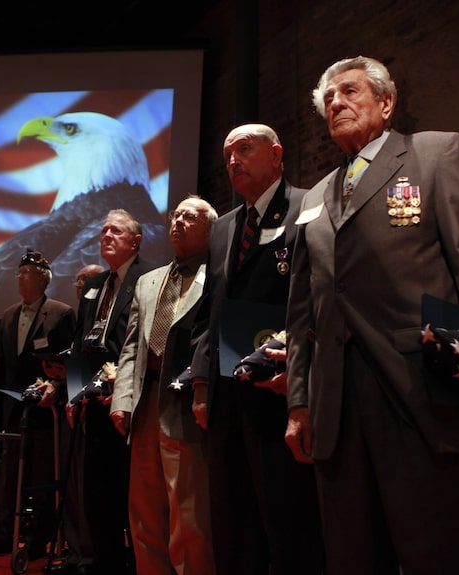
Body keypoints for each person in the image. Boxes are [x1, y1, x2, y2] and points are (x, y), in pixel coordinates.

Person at [283, 55, 459, 575]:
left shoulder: (432, 154)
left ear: (385, 103)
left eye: (350, 91)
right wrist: (299, 402)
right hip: (336, 407)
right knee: (353, 557)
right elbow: (302, 315)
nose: (336, 102)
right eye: (329, 99)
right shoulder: (314, 199)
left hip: (422, 394)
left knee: (439, 555)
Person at [189, 124, 324, 575]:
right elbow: (212, 311)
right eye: (228, 155)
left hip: (282, 388)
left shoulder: (309, 206)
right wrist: (202, 383)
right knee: (233, 515)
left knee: (288, 518)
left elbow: (320, 295)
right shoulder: (224, 227)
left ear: (276, 154)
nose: (233, 162)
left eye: (244, 150)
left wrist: (304, 368)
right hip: (228, 392)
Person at [109, 196, 218, 574]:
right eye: (176, 215)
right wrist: (121, 399)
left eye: (191, 216)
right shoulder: (147, 280)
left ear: (211, 227)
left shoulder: (218, 274)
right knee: (143, 511)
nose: (179, 221)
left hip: (186, 403)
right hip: (144, 403)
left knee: (188, 514)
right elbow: (130, 348)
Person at [50, 209, 156, 575]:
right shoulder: (95, 284)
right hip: (92, 402)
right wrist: (74, 394)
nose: (106, 235)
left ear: (135, 241)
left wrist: (122, 388)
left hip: (126, 402)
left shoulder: (148, 278)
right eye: (104, 230)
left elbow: (143, 342)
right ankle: (98, 561)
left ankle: (128, 562)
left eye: (116, 230)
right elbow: (80, 343)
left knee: (125, 488)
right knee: (94, 487)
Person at [0, 250, 76, 559]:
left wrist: (55, 386)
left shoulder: (61, 313)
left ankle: (40, 539)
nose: (20, 277)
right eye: (19, 272)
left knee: (41, 474)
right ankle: (1, 533)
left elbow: (68, 362)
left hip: (45, 407)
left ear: (43, 277)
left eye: (27, 272)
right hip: (13, 407)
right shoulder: (9, 314)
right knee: (9, 474)